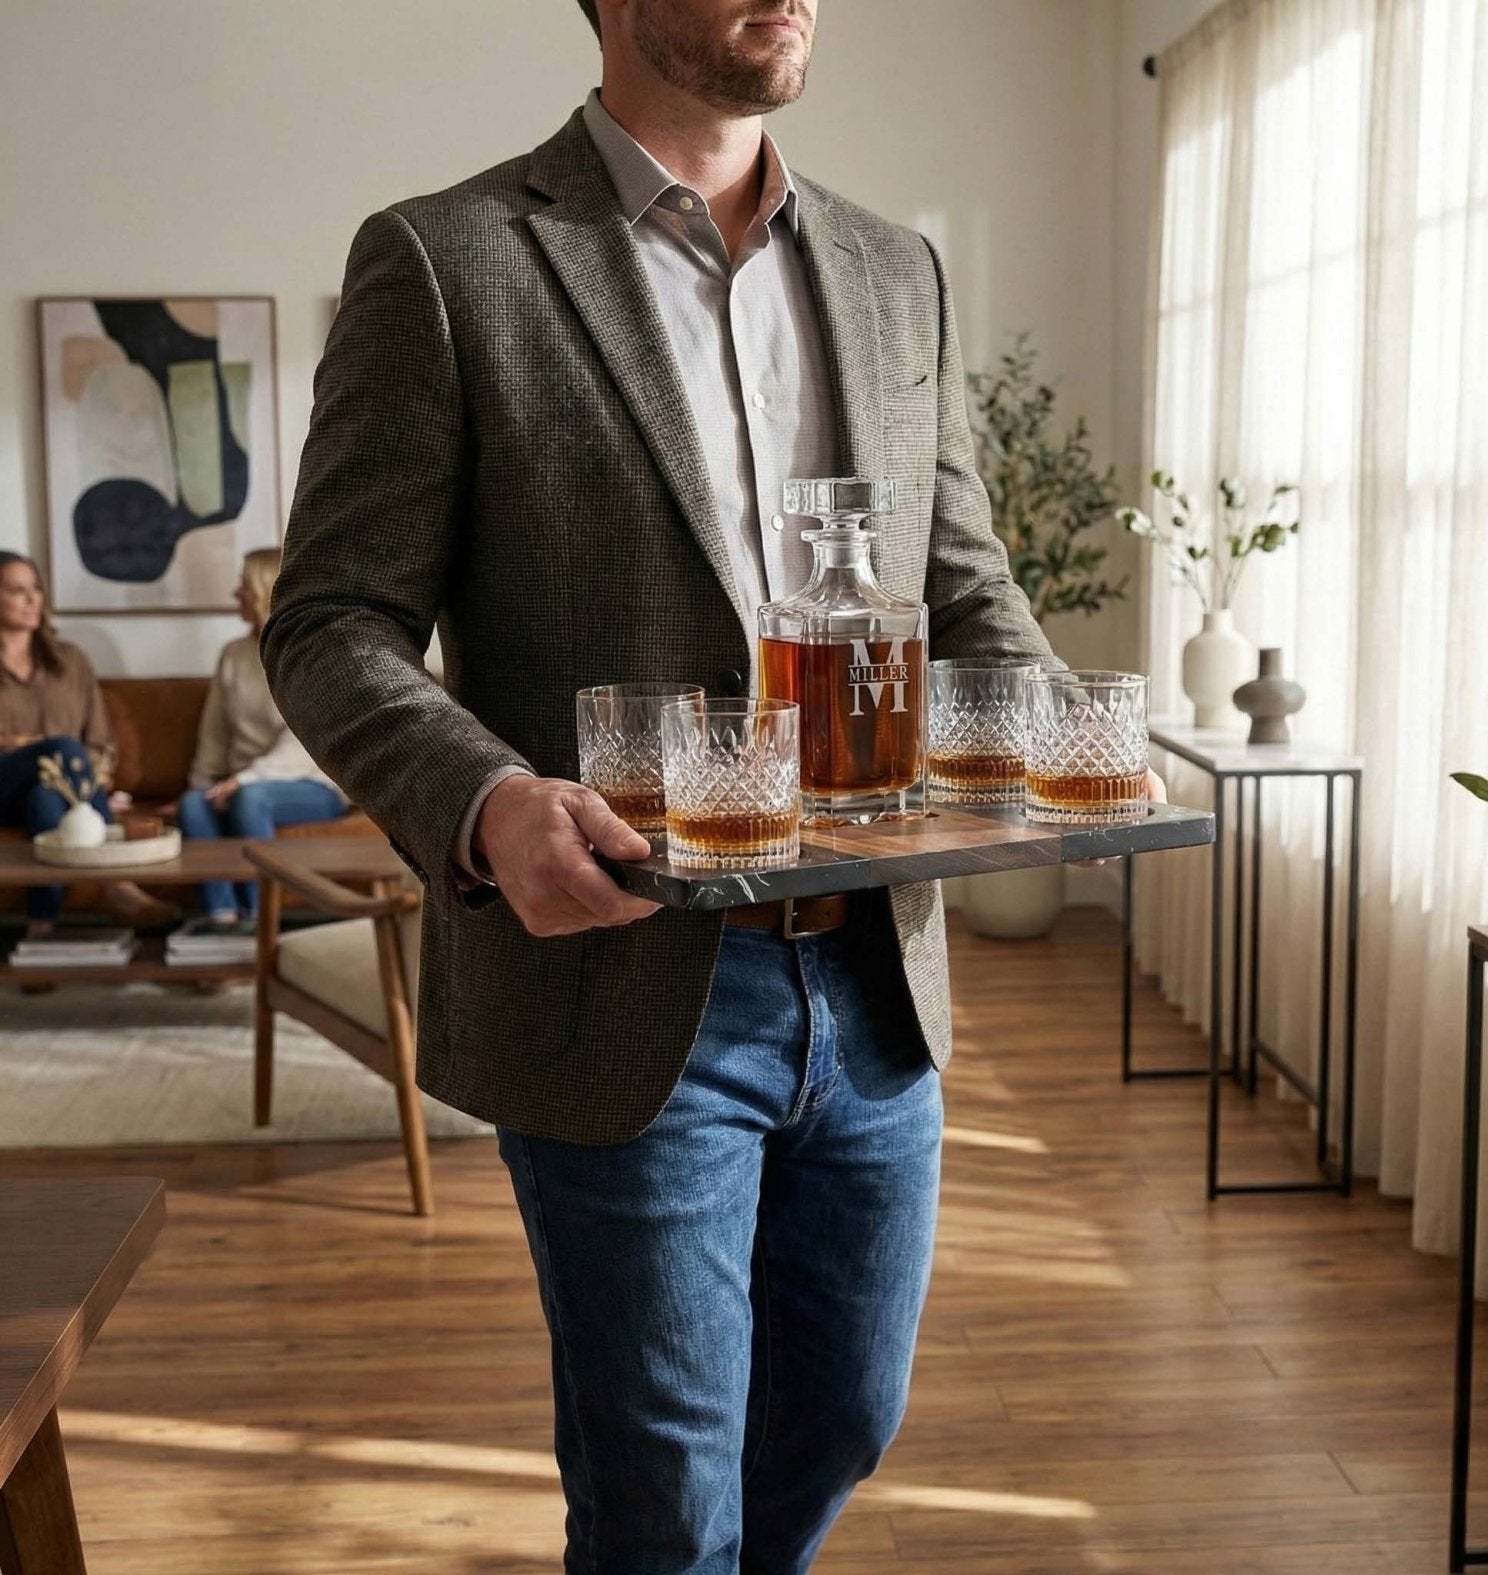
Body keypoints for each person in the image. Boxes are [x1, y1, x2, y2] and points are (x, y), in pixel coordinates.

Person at [263, 2, 1166, 1567]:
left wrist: (1066, 730)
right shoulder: (449, 258)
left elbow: (966, 586)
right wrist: (487, 802)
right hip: (633, 985)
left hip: (880, 983)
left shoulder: (899, 271)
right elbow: (334, 621)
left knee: (840, 1421)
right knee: (667, 1500)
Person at [0, 550, 175, 934]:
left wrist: (85, 774)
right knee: (61, 747)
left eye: (36, 590)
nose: (32, 600)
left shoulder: (69, 661)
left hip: (58, 788)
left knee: (44, 797)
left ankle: (40, 931)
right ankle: (117, 883)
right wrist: (29, 745)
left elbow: (97, 739)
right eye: (17, 590)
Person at [177, 548, 346, 925]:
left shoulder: (308, 652)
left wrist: (243, 780)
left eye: (243, 584)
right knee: (191, 805)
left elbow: (303, 740)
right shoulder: (233, 656)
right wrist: (203, 785)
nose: (236, 593)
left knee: (251, 799)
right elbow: (215, 733)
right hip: (240, 782)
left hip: (308, 783)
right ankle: (221, 918)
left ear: (267, 587)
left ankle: (260, 919)